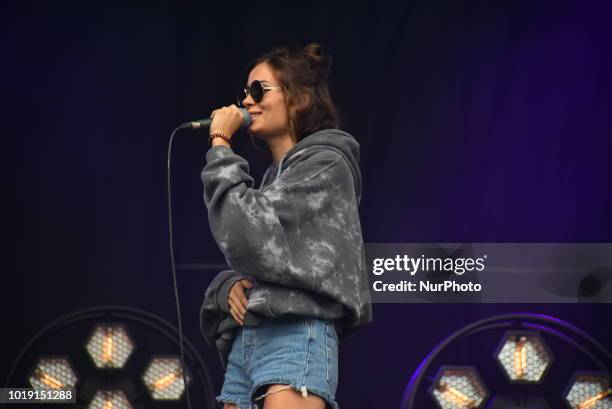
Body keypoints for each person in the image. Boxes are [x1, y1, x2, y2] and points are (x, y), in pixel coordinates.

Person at [199, 43, 372, 409]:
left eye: (259, 90)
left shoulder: (327, 163)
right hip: (251, 337)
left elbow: (249, 236)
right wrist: (229, 285)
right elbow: (257, 253)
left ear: (300, 99)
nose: (246, 101)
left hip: (296, 332)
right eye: (244, 92)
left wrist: (219, 144)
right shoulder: (274, 179)